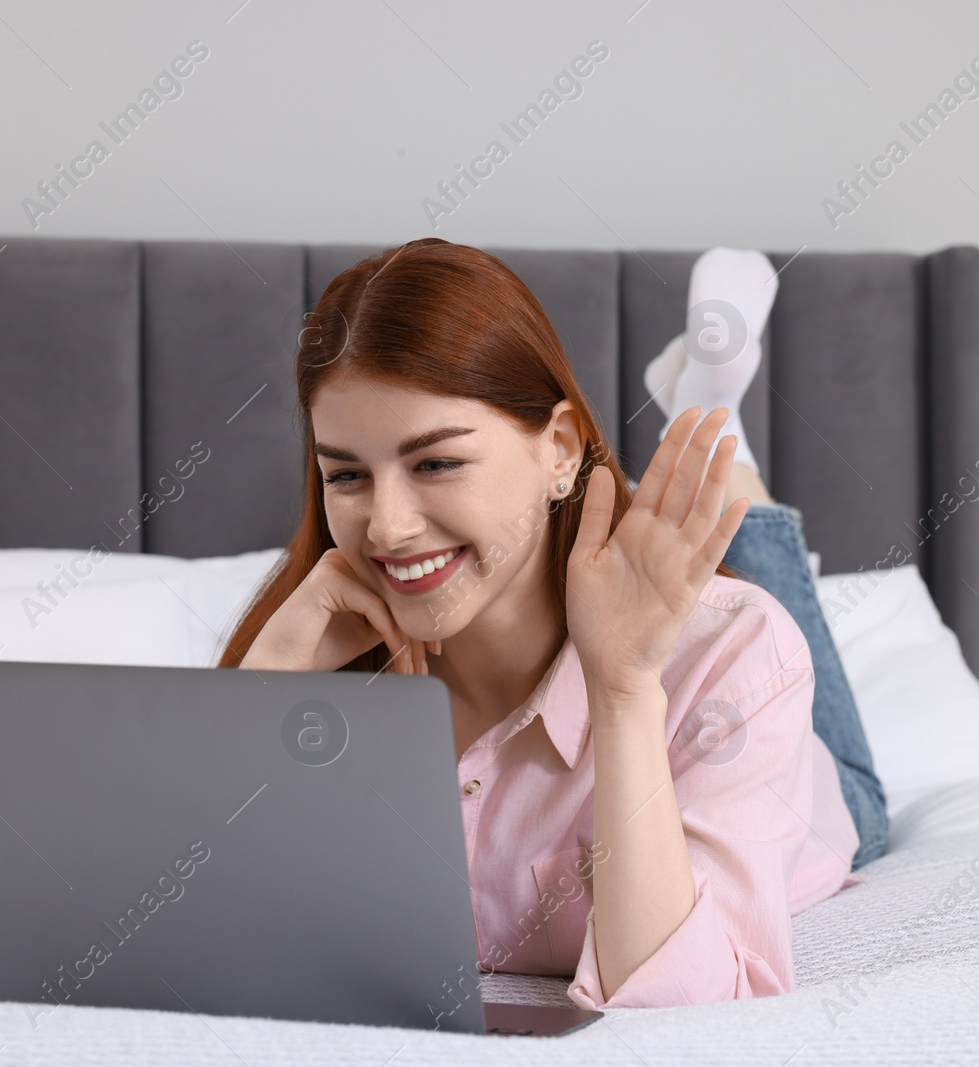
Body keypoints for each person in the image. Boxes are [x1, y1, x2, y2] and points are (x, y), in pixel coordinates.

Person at [218, 238, 886, 1010]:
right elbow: (189, 927)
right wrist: (257, 696)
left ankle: (718, 416)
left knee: (847, 766)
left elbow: (685, 1015)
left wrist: (625, 689)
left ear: (560, 448)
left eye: (436, 462)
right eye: (346, 475)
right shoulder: (312, 658)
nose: (388, 528)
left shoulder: (738, 651)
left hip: (815, 795)